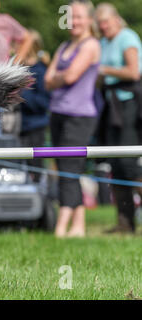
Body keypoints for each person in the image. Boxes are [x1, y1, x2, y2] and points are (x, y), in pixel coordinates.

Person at [44, 0, 101, 238]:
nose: (73, 22)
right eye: (69, 17)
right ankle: (78, 228)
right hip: (58, 113)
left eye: (78, 17)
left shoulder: (91, 45)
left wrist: (60, 76)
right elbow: (48, 81)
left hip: (80, 116)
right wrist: (61, 76)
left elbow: (71, 76)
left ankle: (60, 228)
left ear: (89, 20)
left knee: (68, 169)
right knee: (67, 169)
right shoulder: (65, 45)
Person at [95, 3, 142, 234]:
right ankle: (125, 224)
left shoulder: (127, 37)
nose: (102, 26)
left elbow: (134, 72)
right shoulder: (103, 41)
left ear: (116, 19)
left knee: (130, 163)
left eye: (105, 21)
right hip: (111, 104)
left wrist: (103, 69)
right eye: (99, 22)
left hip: (131, 102)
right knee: (115, 163)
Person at [18, 30, 51, 182]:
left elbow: (44, 103)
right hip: (17, 127)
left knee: (35, 166)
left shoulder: (41, 71)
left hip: (34, 126)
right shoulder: (17, 70)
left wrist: (22, 94)